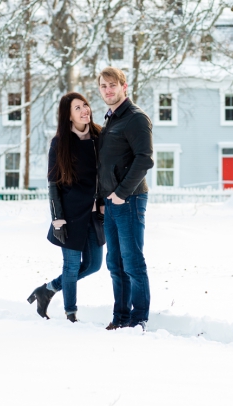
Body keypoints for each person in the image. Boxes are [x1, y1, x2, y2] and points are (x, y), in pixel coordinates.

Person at [27, 93, 105, 322]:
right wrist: (57, 218)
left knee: (93, 265)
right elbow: (53, 184)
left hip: (93, 214)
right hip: (69, 215)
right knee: (71, 267)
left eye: (85, 105)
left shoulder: (99, 136)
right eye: (78, 107)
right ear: (68, 115)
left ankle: (47, 289)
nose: (85, 110)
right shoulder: (60, 143)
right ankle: (71, 314)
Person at [96, 67, 154, 331]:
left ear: (124, 86)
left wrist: (120, 193)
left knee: (132, 262)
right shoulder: (112, 119)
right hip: (111, 203)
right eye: (103, 86)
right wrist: (104, 197)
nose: (108, 90)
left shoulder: (135, 118)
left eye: (112, 85)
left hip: (129, 200)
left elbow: (145, 159)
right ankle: (120, 317)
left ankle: (139, 319)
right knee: (115, 263)